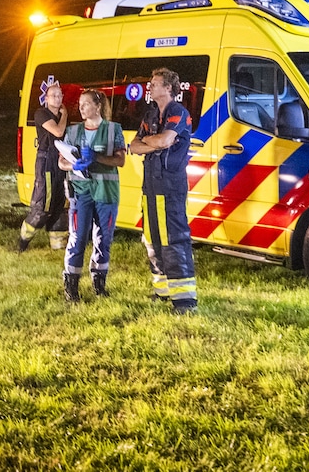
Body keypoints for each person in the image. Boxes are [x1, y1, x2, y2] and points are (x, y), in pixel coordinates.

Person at [128, 68, 197, 315]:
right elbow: (134, 147)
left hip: (170, 187)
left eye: (155, 83)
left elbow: (165, 141)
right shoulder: (151, 114)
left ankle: (185, 301)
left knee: (174, 240)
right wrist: (151, 142)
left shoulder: (179, 113)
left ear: (168, 88)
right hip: (151, 188)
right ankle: (162, 291)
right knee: (152, 239)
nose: (150, 86)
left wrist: (152, 141)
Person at [58, 89, 125, 301]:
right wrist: (73, 164)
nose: (81, 108)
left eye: (86, 104)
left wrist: (95, 157)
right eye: (80, 104)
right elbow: (61, 162)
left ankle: (99, 284)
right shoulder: (72, 131)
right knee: (77, 239)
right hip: (81, 193)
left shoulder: (114, 129)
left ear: (97, 106)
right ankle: (71, 286)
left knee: (103, 239)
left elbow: (120, 160)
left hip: (106, 194)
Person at [17, 82, 69, 252]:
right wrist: (65, 114)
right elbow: (59, 132)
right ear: (46, 98)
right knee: (43, 207)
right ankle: (22, 242)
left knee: (60, 205)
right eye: (53, 95)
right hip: (46, 162)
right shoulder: (41, 114)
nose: (57, 98)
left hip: (60, 162)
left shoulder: (59, 116)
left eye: (60, 95)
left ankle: (58, 248)